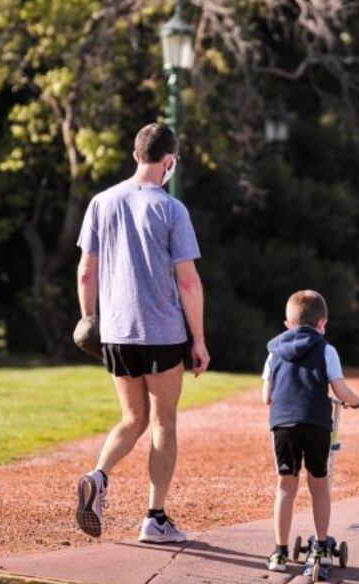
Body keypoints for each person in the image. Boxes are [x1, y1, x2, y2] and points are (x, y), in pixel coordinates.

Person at [74, 123, 209, 544]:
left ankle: (98, 476)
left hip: (116, 332)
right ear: (169, 161)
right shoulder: (172, 209)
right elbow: (188, 281)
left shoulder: (101, 202)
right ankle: (155, 518)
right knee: (163, 422)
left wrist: (89, 319)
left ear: (135, 154)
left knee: (132, 418)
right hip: (162, 332)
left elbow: (86, 272)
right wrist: (199, 339)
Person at [262, 290, 359, 574]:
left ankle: (280, 552)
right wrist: (358, 401)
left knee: (285, 487)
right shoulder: (326, 350)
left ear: (288, 324)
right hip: (316, 424)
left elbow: (266, 397)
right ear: (323, 323)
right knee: (319, 484)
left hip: (283, 425)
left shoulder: (274, 352)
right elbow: (340, 389)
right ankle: (321, 546)